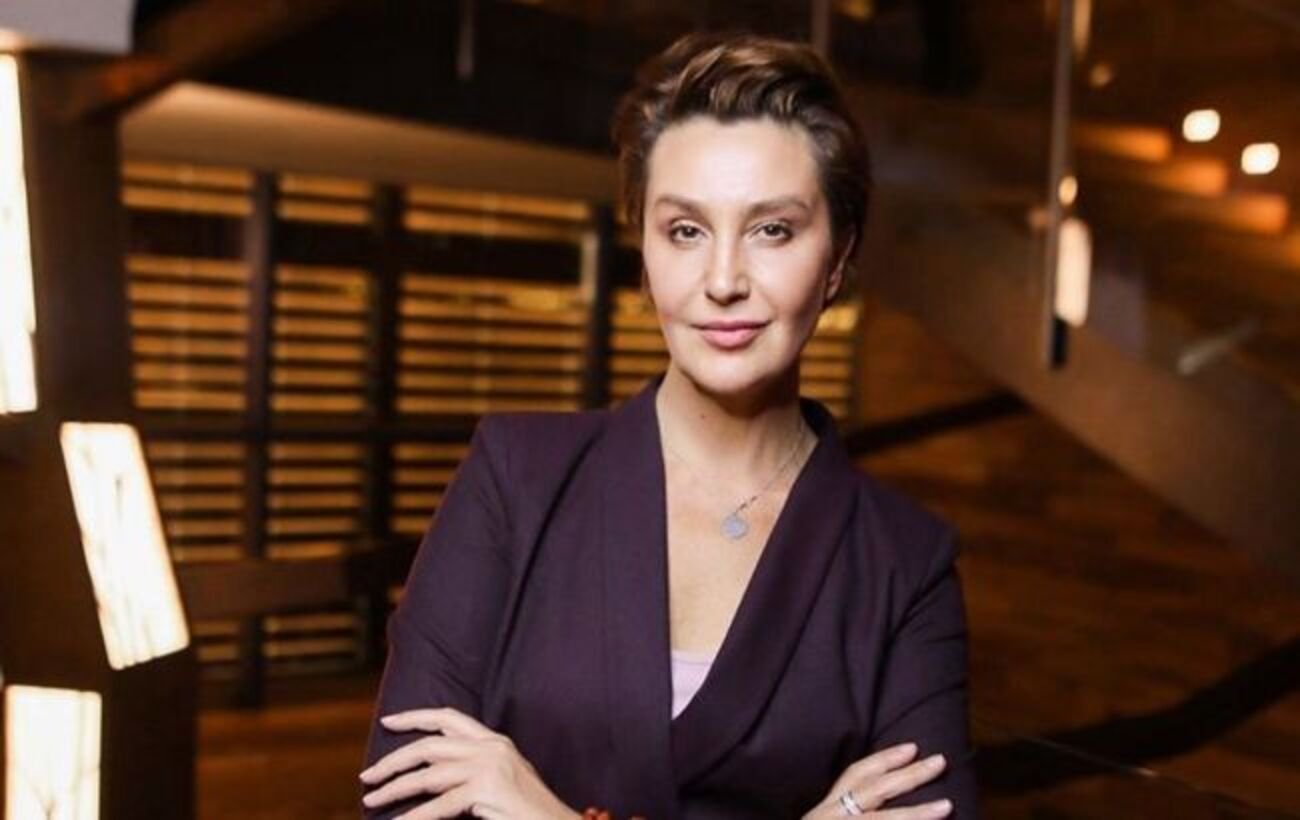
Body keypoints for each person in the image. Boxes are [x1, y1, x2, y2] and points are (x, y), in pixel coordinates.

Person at [359, 30, 978, 819]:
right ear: (646, 256)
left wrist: (544, 812)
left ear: (836, 260)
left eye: (772, 230)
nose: (722, 281)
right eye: (686, 230)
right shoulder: (515, 477)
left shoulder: (905, 561)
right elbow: (400, 805)